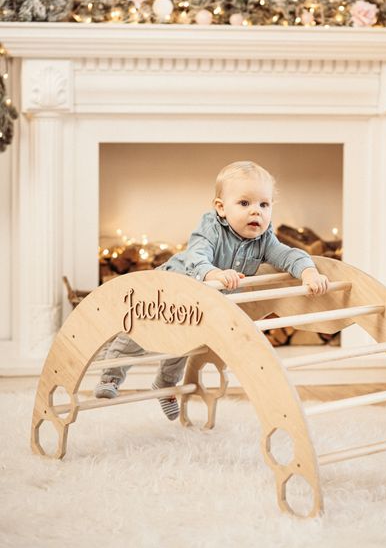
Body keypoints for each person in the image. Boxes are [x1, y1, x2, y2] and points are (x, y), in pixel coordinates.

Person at [94, 160, 329, 420]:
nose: (256, 212)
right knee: (137, 333)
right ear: (221, 208)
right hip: (166, 292)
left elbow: (288, 255)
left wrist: (308, 272)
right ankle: (110, 377)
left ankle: (165, 385)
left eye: (264, 204)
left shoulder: (263, 239)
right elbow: (196, 256)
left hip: (198, 306)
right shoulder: (211, 228)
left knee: (183, 345)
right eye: (244, 203)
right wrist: (214, 273)